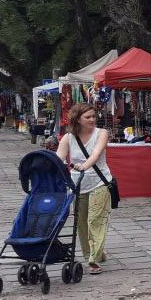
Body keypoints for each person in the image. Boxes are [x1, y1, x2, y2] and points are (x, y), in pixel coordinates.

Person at [55, 103, 112, 275]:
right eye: (88, 117)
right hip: (77, 186)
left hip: (100, 183)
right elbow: (58, 159)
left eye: (94, 116)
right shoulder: (68, 138)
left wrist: (84, 166)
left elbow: (95, 155)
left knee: (95, 221)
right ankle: (96, 252)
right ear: (77, 119)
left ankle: (93, 259)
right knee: (81, 224)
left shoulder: (101, 133)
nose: (93, 120)